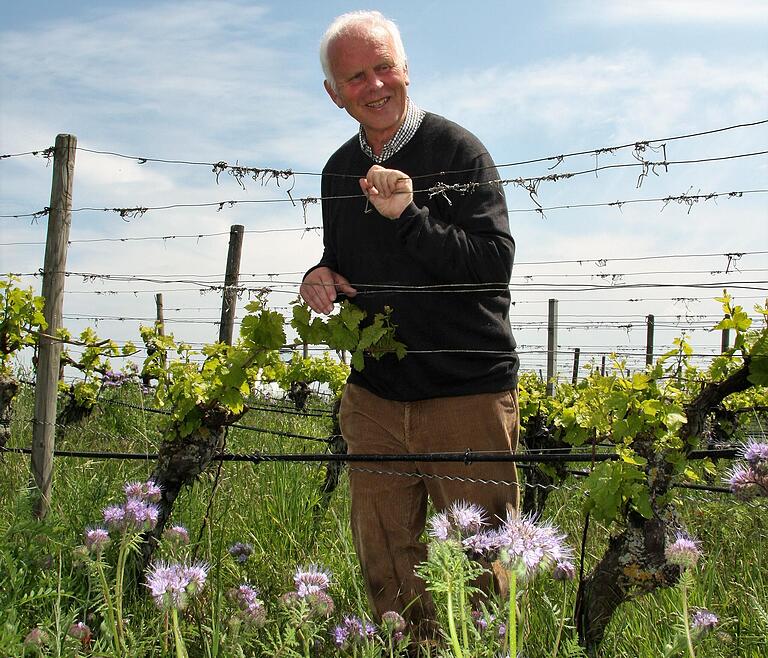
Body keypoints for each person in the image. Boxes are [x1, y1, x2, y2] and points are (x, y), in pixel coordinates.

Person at [300, 10, 520, 641]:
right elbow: (344, 260)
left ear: (405, 68)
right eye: (355, 77)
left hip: (465, 391)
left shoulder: (457, 151)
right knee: (387, 563)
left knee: (482, 567)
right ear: (333, 94)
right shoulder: (337, 172)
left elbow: (493, 265)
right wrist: (322, 274)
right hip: (374, 394)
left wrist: (409, 217)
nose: (373, 86)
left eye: (383, 67)